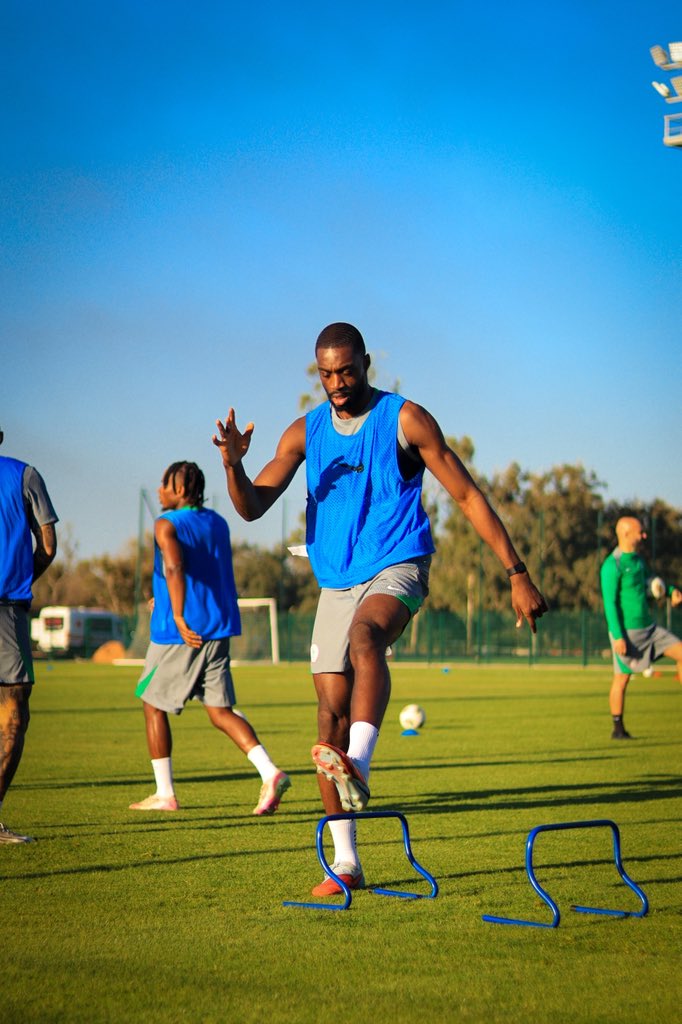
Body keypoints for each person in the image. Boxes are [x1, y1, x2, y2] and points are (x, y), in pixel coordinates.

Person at [213, 322, 547, 896]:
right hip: (337, 579)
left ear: (366, 363)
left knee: (368, 638)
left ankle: (361, 764)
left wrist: (516, 572)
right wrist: (233, 467)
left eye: (347, 371)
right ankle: (345, 864)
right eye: (326, 374)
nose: (338, 383)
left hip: (398, 563)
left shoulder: (405, 418)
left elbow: (466, 494)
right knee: (326, 723)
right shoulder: (305, 432)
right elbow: (251, 508)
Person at [129, 461, 290, 815]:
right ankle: (270, 772)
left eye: (165, 484)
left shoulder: (166, 523)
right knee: (219, 711)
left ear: (182, 489)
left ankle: (165, 793)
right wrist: (168, 598)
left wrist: (178, 613)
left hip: (181, 633)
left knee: (152, 703)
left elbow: (175, 566)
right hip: (220, 626)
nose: (159, 490)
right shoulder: (217, 522)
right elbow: (201, 568)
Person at [0, 428, 58, 843]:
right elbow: (48, 545)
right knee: (14, 712)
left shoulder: (24, 476)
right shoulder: (24, 475)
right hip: (7, 606)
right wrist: (21, 578)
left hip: (9, 604)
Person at [600, 515, 682, 740]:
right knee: (622, 679)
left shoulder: (637, 561)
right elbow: (610, 603)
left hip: (650, 629)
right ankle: (618, 728)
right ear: (626, 534)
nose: (644, 535)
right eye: (640, 532)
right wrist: (618, 636)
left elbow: (653, 584)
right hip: (628, 632)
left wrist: (671, 590)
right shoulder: (612, 565)